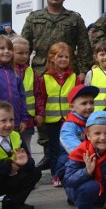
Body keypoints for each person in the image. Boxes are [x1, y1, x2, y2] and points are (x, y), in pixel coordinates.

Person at [20, 0, 93, 171]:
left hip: (68, 70)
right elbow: (24, 44)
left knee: (69, 113)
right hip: (41, 70)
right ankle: (48, 153)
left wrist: (84, 70)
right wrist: (21, 68)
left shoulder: (74, 18)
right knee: (43, 112)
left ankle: (68, 152)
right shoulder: (34, 18)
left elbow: (84, 46)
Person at [39, 42, 78, 185]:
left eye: (66, 57)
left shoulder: (73, 77)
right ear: (52, 58)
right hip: (52, 119)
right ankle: (56, 174)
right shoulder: (45, 78)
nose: (63, 59)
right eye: (60, 56)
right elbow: (42, 98)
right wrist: (41, 115)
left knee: (68, 147)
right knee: (54, 148)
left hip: (69, 119)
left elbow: (77, 97)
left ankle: (67, 172)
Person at [12, 37, 38, 151]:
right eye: (20, 53)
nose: (24, 56)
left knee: (26, 145)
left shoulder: (30, 71)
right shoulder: (7, 70)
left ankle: (27, 165)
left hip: (27, 117)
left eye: (27, 53)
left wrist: (39, 113)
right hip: (11, 116)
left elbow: (38, 93)